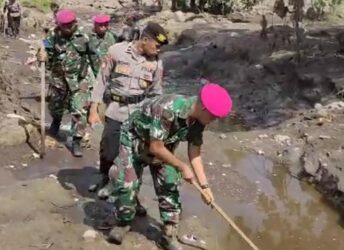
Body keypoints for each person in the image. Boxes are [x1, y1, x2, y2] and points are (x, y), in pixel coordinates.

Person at [106, 83, 232, 250]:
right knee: (127, 184)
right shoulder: (167, 109)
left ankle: (168, 234)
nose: (214, 120)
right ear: (203, 108)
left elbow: (195, 152)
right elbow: (155, 147)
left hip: (164, 145)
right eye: (213, 116)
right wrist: (181, 166)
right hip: (135, 139)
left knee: (170, 184)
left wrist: (204, 186)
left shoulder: (199, 120)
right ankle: (123, 222)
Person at [88, 22, 168, 212]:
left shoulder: (156, 63)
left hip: (139, 113)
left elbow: (156, 93)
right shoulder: (117, 51)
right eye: (156, 45)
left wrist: (156, 119)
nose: (158, 50)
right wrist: (93, 109)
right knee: (109, 150)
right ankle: (105, 179)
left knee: (133, 157)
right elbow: (101, 81)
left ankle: (129, 195)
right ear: (145, 39)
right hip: (116, 109)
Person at [37, 9, 95, 157]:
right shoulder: (52, 35)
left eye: (70, 24)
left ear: (75, 22)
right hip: (59, 79)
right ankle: (56, 121)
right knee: (55, 106)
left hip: (79, 79)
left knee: (79, 111)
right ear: (59, 25)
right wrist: (41, 56)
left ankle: (76, 140)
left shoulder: (86, 36)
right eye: (64, 25)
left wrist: (98, 81)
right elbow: (46, 53)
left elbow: (94, 58)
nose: (68, 28)